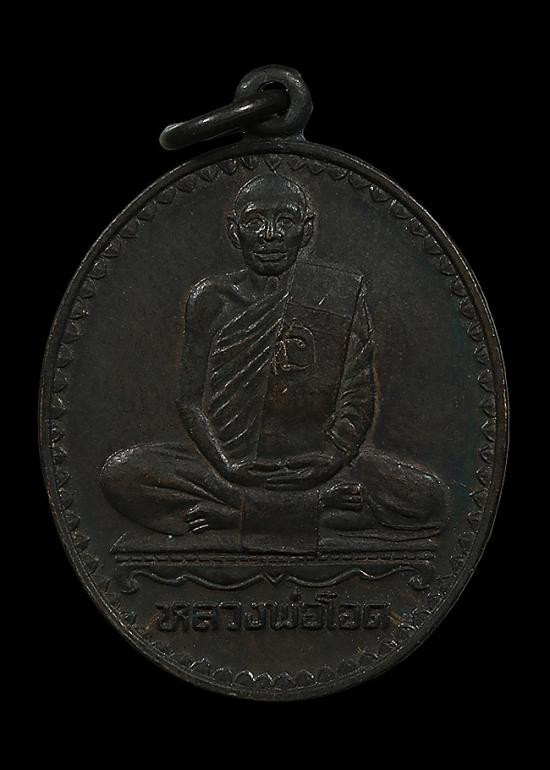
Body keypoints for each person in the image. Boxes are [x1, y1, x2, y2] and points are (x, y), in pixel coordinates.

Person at [100, 174, 446, 551]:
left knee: (423, 495)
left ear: (306, 230)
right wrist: (226, 464)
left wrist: (332, 458)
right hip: (231, 467)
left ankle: (242, 515)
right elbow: (189, 401)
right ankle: (307, 511)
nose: (270, 235)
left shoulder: (341, 292)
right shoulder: (211, 299)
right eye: (254, 222)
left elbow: (358, 394)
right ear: (235, 233)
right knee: (123, 473)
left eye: (285, 221)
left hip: (316, 462)